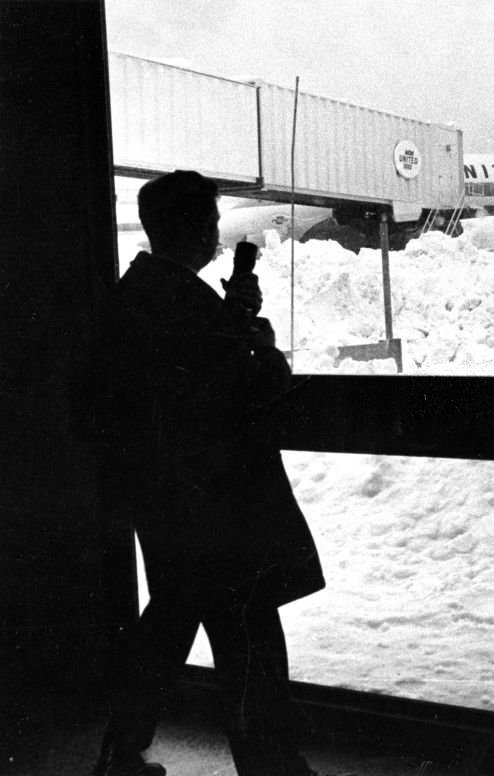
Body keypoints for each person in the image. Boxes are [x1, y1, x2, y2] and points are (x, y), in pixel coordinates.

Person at [83, 170, 326, 776]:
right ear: (196, 229)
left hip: (165, 505)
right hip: (221, 510)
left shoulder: (129, 296)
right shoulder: (190, 307)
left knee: (167, 627)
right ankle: (273, 767)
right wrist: (252, 331)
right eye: (212, 222)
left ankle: (122, 749)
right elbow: (258, 385)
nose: (218, 233)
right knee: (251, 643)